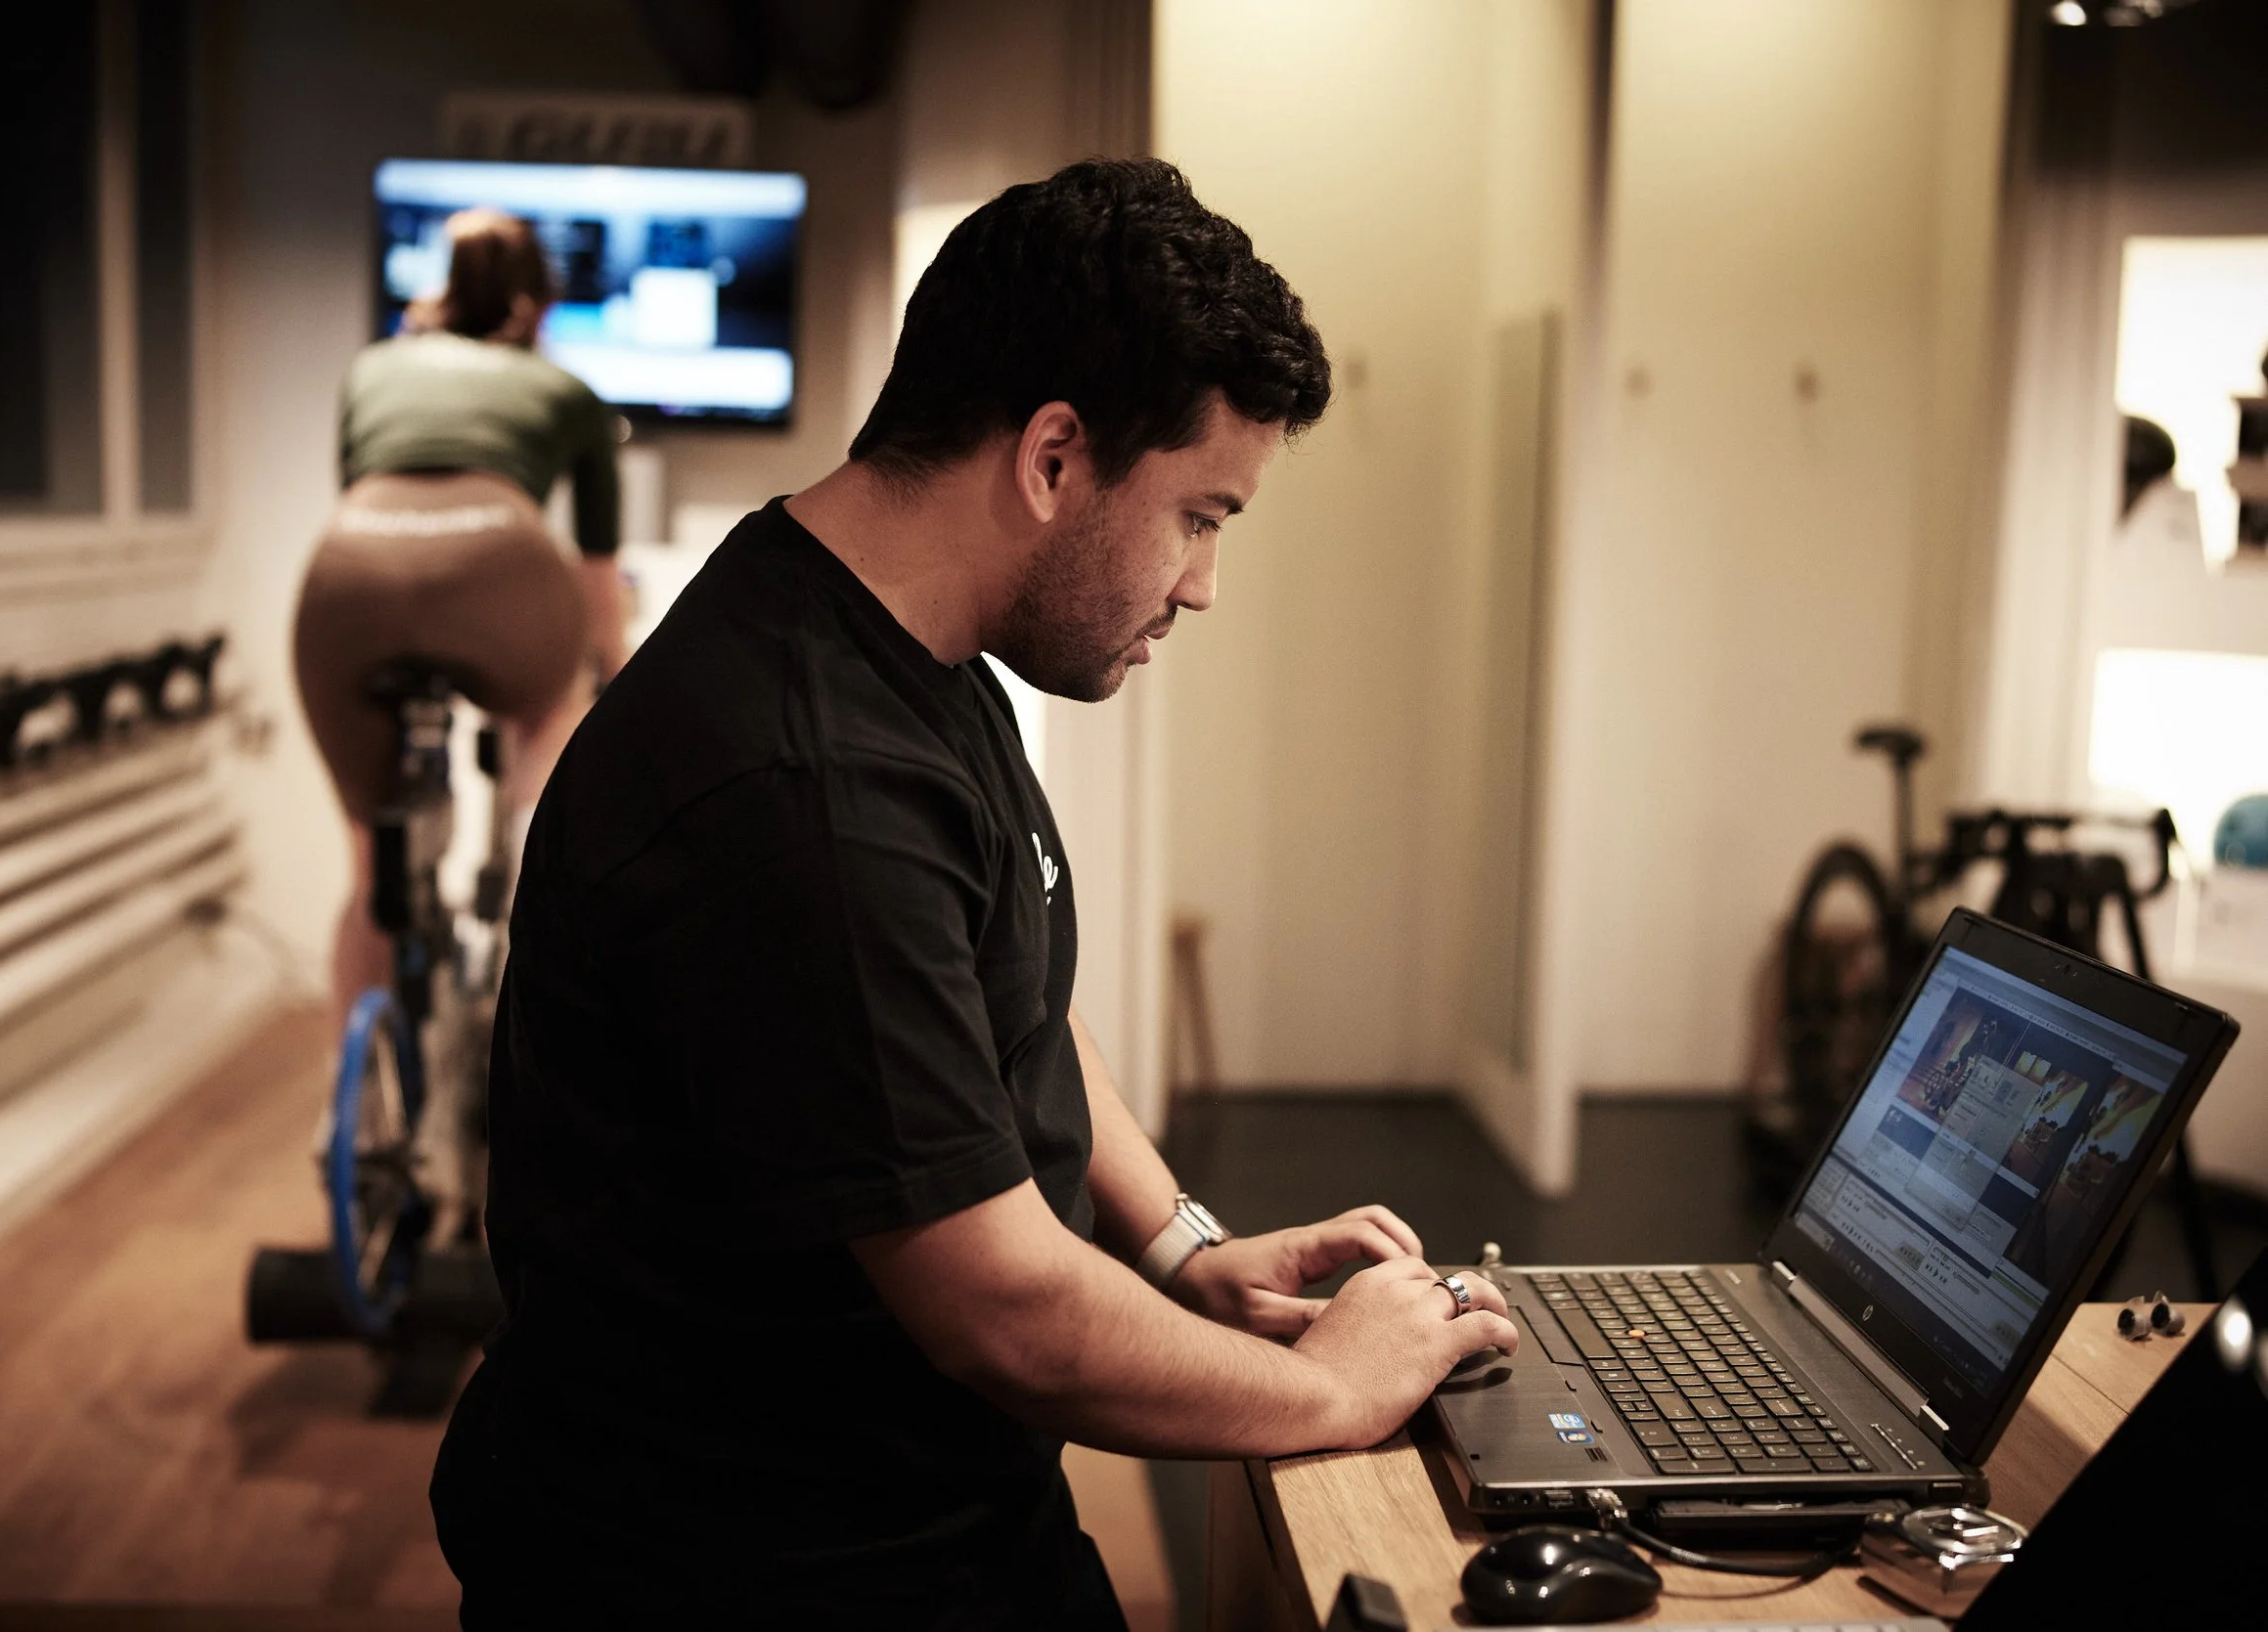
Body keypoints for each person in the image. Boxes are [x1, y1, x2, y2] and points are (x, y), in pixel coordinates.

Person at [429, 158, 1518, 1627]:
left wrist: (1184, 1249)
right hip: (768, 1574)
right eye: (1201, 515)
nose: (1202, 586)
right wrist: (1325, 1386)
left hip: (914, 1513)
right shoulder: (806, 784)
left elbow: (1014, 1006)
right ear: (1054, 458)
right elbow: (1005, 1307)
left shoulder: (908, 649)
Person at [292, 207, 630, 1015]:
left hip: (348, 574)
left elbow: (360, 487)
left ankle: (355, 1102)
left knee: (374, 876)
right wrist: (609, 672)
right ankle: (524, 880)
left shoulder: (374, 368)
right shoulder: (568, 392)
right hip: (501, 569)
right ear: (536, 306)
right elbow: (596, 582)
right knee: (554, 714)